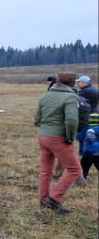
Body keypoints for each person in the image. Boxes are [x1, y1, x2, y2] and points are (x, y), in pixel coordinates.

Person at [34, 73, 85, 213]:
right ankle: (54, 198)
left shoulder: (45, 96)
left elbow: (37, 118)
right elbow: (71, 120)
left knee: (46, 170)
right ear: (72, 84)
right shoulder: (71, 97)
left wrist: (44, 128)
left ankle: (43, 200)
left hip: (43, 136)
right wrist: (70, 137)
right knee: (75, 170)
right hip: (58, 137)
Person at [80, 112, 99, 180]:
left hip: (88, 153)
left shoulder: (90, 130)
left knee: (84, 167)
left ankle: (83, 178)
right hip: (97, 153)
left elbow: (91, 139)